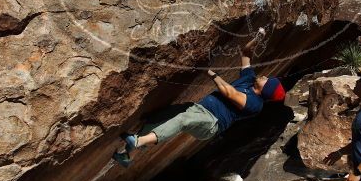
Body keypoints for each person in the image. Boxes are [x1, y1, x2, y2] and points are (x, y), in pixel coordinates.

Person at [112, 29, 286, 167]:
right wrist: (257, 39)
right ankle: (127, 156)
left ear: (265, 90)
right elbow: (246, 53)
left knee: (182, 120)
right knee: (160, 118)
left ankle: (138, 141)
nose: (265, 77)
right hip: (199, 108)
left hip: (211, 122)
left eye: (267, 81)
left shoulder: (256, 104)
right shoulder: (249, 79)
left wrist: (211, 73)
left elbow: (230, 93)